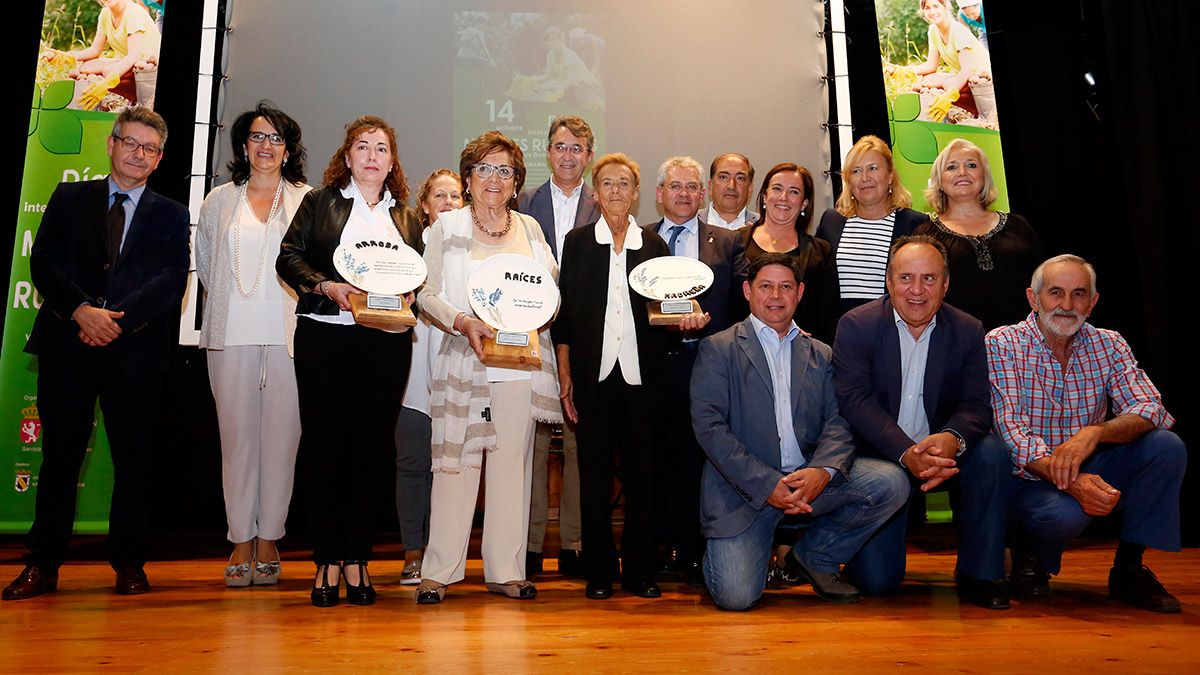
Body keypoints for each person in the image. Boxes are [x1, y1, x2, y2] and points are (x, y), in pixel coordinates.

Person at [4, 105, 189, 601]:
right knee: (60, 460)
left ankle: (129, 564)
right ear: (111, 144)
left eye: (149, 148)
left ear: (159, 158)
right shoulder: (69, 198)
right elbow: (42, 262)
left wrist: (113, 322)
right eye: (130, 143)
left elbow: (170, 282)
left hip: (135, 355)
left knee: (135, 463)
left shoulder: (173, 214)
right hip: (67, 344)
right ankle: (41, 566)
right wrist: (82, 311)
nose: (138, 154)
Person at [692, 253, 908, 611]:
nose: (776, 296)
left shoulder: (820, 353)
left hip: (808, 482)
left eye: (786, 287)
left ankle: (812, 556)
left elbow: (840, 421)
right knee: (737, 598)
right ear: (748, 291)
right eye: (765, 286)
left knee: (890, 483)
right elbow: (710, 429)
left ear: (800, 293)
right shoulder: (719, 349)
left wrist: (822, 471)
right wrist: (766, 484)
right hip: (745, 491)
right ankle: (729, 554)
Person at [276, 115, 423, 608]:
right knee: (324, 449)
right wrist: (327, 286)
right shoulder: (319, 203)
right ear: (348, 154)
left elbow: (417, 276)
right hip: (325, 336)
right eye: (363, 146)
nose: (372, 155)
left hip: (385, 342)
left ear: (391, 161)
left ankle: (358, 558)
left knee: (371, 450)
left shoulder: (405, 217)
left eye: (382, 148)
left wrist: (407, 290)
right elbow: (289, 257)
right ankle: (326, 561)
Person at [987, 255, 1185, 613]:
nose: (1066, 305)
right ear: (1033, 299)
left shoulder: (1109, 344)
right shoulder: (1002, 343)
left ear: (1092, 303)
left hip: (1091, 463)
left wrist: (1095, 432)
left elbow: (1151, 408)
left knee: (1165, 447)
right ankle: (1026, 551)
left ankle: (1129, 567)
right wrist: (1073, 480)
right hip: (1026, 476)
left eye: (1078, 294)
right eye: (1055, 293)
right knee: (1064, 515)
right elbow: (1010, 431)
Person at [553, 153, 709, 600]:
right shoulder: (578, 243)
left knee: (644, 477)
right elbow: (564, 321)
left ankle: (640, 571)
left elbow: (664, 310)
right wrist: (565, 377)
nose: (616, 191)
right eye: (607, 183)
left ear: (637, 193)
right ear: (595, 191)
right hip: (593, 378)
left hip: (645, 381)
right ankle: (600, 571)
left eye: (625, 183)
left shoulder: (654, 247)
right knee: (594, 477)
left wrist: (687, 317)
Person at [415, 131, 563, 604]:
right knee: (454, 467)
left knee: (512, 470)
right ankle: (440, 570)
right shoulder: (445, 228)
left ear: (516, 181)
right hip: (465, 359)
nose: (493, 179)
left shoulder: (530, 231)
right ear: (468, 177)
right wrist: (461, 321)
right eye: (484, 169)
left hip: (519, 366)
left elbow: (550, 293)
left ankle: (507, 570)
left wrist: (538, 312)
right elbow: (425, 293)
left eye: (504, 170)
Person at [832, 236, 1011, 609]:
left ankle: (981, 573)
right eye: (906, 278)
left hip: (942, 455)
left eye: (929, 279)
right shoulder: (856, 326)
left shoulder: (968, 330)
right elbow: (855, 402)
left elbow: (977, 406)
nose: (917, 290)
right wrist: (906, 452)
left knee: (992, 453)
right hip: (882, 459)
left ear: (945, 285)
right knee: (877, 582)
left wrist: (951, 439)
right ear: (888, 281)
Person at [196, 102, 310, 587]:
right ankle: (240, 538)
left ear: (289, 150)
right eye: (257, 137)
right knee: (237, 443)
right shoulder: (219, 200)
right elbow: (205, 266)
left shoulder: (310, 199)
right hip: (231, 335)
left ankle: (270, 540)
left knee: (283, 443)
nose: (266, 146)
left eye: (276, 138)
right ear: (243, 146)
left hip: (291, 339)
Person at [644, 156, 745, 579]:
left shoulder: (729, 241)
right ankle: (658, 546)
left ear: (702, 195)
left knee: (696, 459)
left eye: (691, 187)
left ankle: (690, 550)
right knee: (655, 458)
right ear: (659, 194)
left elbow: (740, 305)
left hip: (705, 362)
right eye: (675, 186)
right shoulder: (640, 240)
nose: (683, 194)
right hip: (651, 365)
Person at [516, 116, 599, 577]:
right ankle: (528, 545)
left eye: (577, 148)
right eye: (559, 146)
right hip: (533, 331)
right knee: (532, 438)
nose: (567, 155)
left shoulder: (600, 201)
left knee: (577, 440)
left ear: (588, 155)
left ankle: (574, 543)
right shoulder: (524, 202)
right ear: (547, 152)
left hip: (584, 335)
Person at [394, 169, 462, 587]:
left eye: (456, 196)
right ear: (425, 205)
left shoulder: (474, 256)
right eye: (440, 195)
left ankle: (443, 553)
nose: (449, 202)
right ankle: (412, 553)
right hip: (412, 377)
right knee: (413, 465)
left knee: (451, 469)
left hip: (459, 376)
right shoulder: (404, 256)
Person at [914, 139, 1043, 330]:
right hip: (959, 348)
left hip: (1024, 347)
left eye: (971, 165)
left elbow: (1045, 284)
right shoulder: (925, 236)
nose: (962, 172)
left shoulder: (1018, 226)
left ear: (985, 176)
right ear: (939, 181)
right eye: (951, 167)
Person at [817, 136, 930, 316]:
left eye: (873, 168)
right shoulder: (831, 221)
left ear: (890, 176)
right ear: (848, 180)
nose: (865, 178)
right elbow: (819, 283)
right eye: (856, 171)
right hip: (839, 332)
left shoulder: (915, 224)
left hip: (893, 330)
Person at [739, 162, 838, 343]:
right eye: (777, 189)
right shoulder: (735, 242)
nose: (783, 197)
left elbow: (828, 316)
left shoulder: (821, 252)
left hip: (800, 355)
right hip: (743, 353)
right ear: (764, 196)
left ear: (804, 204)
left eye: (794, 191)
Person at [42, 0, 162, 110]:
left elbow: (133, 56)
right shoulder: (105, 14)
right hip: (131, 64)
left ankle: (142, 102)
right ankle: (88, 109)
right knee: (85, 68)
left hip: (149, 66)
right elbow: (95, 50)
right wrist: (66, 56)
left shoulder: (133, 12)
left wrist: (108, 81)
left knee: (108, 71)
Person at [902, 0, 993, 123]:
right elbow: (931, 65)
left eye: (936, 6)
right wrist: (903, 70)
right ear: (923, 11)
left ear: (944, 7)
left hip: (985, 80)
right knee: (925, 80)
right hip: (970, 79)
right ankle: (974, 110)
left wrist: (949, 96)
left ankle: (983, 111)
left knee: (947, 85)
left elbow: (967, 70)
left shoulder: (957, 30)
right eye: (927, 8)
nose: (932, 12)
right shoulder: (933, 30)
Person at [699, 153, 759, 230]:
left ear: (750, 188)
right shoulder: (689, 222)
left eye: (740, 178)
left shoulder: (763, 226)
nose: (731, 186)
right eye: (723, 177)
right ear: (710, 186)